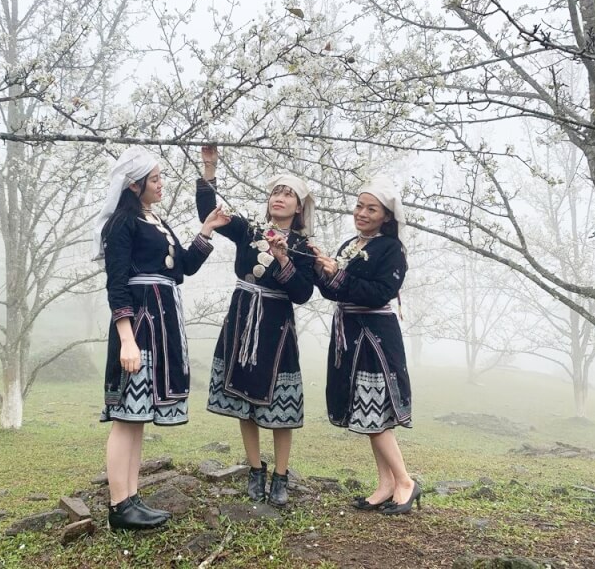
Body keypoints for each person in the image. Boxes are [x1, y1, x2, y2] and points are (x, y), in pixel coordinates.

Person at [94, 146, 229, 530]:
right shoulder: (122, 224)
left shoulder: (155, 220)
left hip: (162, 321)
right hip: (138, 326)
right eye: (155, 179)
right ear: (134, 185)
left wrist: (207, 230)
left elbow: (182, 268)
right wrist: (126, 339)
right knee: (125, 416)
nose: (161, 184)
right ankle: (119, 505)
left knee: (138, 418)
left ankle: (131, 497)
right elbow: (117, 285)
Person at [196, 145, 315, 507]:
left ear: (299, 207)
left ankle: (281, 475)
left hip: (276, 329)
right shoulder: (249, 230)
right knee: (243, 401)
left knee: (280, 407)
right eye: (276, 192)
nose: (279, 198)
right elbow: (209, 212)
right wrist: (209, 167)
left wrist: (282, 258)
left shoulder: (304, 247)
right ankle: (254, 469)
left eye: (288, 194)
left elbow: (303, 293)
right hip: (241, 318)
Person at [312, 179, 420, 515]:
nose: (362, 213)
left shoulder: (391, 249)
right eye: (359, 206)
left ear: (386, 216)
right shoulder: (350, 244)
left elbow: (380, 292)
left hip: (375, 337)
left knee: (375, 413)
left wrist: (339, 276)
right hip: (350, 334)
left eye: (371, 209)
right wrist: (322, 270)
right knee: (367, 413)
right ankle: (386, 484)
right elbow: (334, 291)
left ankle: (405, 482)